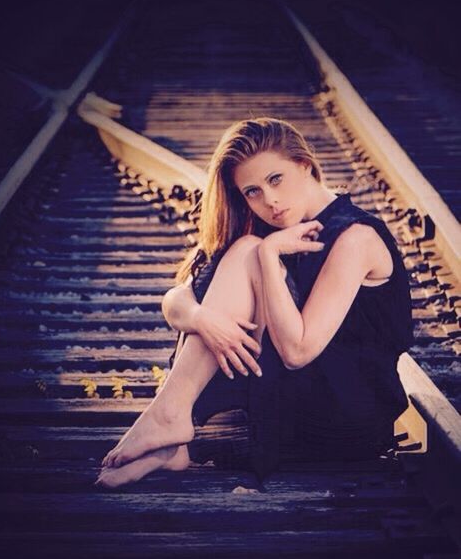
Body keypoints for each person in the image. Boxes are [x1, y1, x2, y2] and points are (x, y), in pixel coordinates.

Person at [95, 117, 414, 489]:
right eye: (252, 192)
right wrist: (201, 318)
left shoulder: (355, 238)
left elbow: (297, 351)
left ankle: (172, 418)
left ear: (304, 165)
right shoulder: (270, 227)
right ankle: (174, 433)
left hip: (345, 419)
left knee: (248, 250)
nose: (269, 201)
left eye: (275, 179)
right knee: (239, 253)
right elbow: (177, 299)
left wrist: (266, 256)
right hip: (293, 402)